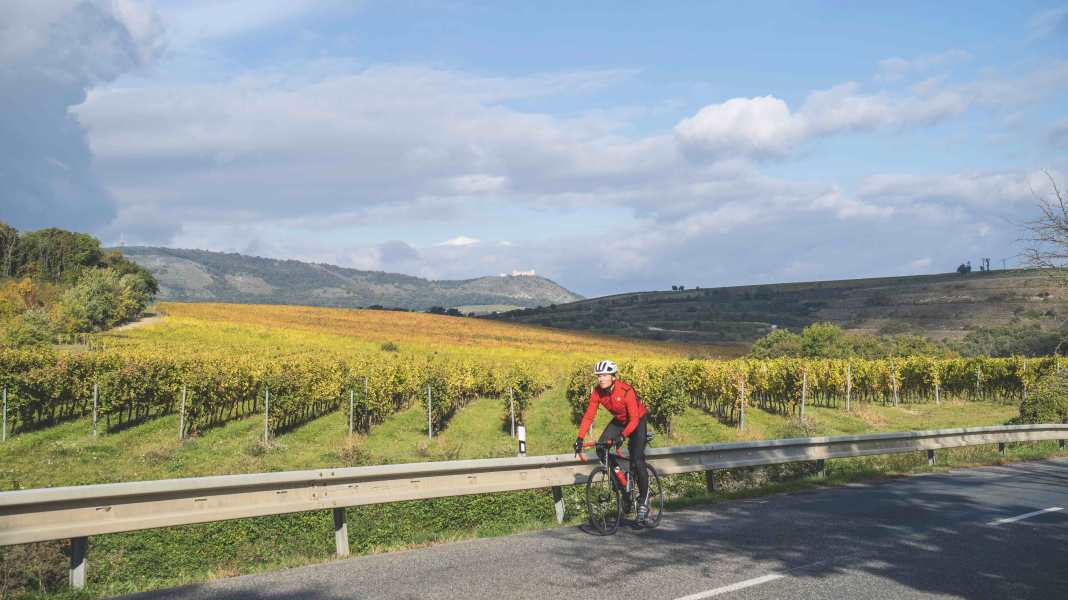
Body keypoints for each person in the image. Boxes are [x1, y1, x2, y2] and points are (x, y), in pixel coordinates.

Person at [573, 359, 651, 522]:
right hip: (620, 420)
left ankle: (644, 500)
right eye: (598, 375)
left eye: (604, 375)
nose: (600, 378)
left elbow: (634, 419)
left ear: (613, 377)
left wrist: (622, 436)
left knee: (637, 459)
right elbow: (589, 415)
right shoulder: (597, 392)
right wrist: (580, 438)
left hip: (637, 421)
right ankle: (623, 488)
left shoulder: (625, 391)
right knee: (601, 448)